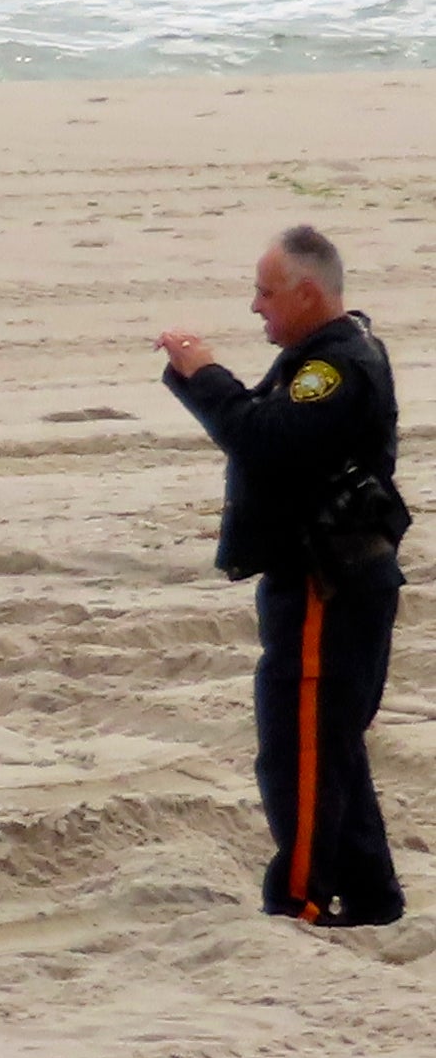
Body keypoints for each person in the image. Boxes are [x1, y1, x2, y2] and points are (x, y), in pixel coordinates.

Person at [163, 225, 404, 927]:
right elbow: (265, 432)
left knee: (299, 752)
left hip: (327, 585)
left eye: (266, 293)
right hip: (327, 579)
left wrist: (200, 373)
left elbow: (263, 440)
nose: (255, 307)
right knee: (326, 744)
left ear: (306, 292)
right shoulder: (319, 358)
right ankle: (370, 897)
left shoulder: (332, 368)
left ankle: (296, 898)